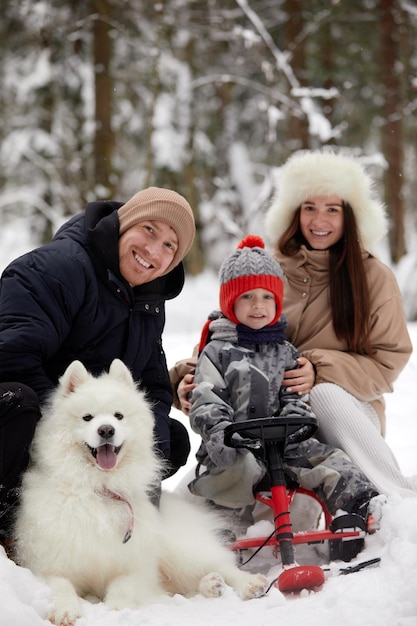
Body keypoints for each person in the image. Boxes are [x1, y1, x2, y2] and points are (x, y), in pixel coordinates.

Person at [172, 150, 415, 499]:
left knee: (321, 393)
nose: (320, 219)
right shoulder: (268, 268)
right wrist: (190, 378)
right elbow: (224, 335)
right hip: (265, 412)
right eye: (309, 207)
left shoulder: (373, 276)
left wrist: (320, 368)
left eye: (333, 209)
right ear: (294, 212)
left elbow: (387, 361)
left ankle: (396, 500)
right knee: (195, 501)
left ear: (351, 216)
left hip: (346, 415)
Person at [0, 186, 196, 540]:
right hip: (40, 416)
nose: (154, 250)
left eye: (170, 245)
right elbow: (11, 357)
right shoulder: (56, 269)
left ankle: (100, 516)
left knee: (171, 438)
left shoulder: (148, 298)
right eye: (149, 229)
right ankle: (9, 525)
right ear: (123, 223)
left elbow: (151, 385)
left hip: (89, 431)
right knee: (16, 402)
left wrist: (142, 453)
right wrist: (68, 422)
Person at [187, 234, 383, 540]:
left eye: (267, 297)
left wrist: (295, 420)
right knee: (233, 474)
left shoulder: (285, 352)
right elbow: (206, 398)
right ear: (230, 302)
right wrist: (221, 433)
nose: (258, 306)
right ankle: (223, 532)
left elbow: (294, 395)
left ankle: (356, 513)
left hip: (285, 444)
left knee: (330, 461)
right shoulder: (216, 352)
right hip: (235, 445)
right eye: (247, 297)